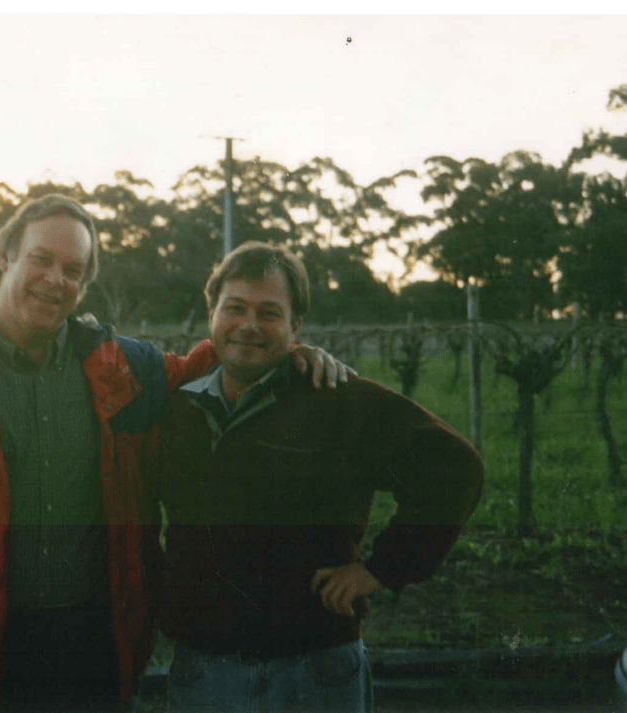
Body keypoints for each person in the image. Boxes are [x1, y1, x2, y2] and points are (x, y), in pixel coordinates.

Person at [0, 194, 350, 712]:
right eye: (41, 259)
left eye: (73, 269)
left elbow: (210, 364)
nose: (55, 279)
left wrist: (281, 348)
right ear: (2, 261)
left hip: (85, 646)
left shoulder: (121, 367)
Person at [150, 241, 484, 713]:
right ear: (212, 312)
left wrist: (381, 569)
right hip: (205, 672)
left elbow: (454, 467)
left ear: (296, 326)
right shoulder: (177, 409)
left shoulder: (337, 399)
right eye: (236, 308)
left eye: (269, 313)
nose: (248, 325)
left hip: (314, 672)